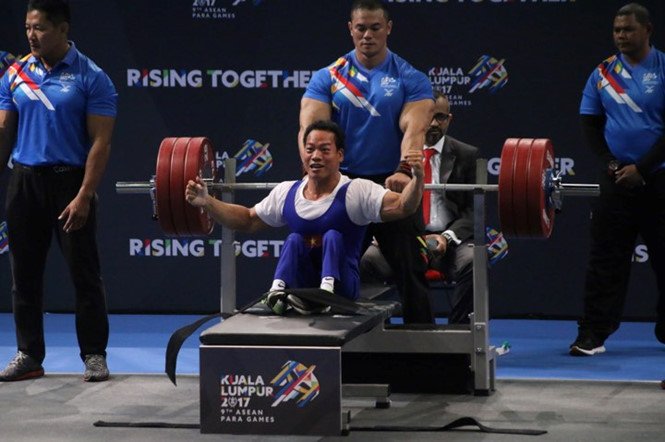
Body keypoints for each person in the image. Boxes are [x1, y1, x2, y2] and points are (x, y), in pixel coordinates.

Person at [185, 119, 424, 314]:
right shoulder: (287, 191)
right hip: (302, 288)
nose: (315, 156)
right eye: (310, 149)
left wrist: (417, 178)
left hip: (343, 291)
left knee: (332, 235)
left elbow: (403, 206)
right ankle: (277, 291)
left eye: (324, 150)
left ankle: (327, 291)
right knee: (294, 240)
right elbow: (247, 220)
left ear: (340, 155)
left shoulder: (357, 191)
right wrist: (208, 202)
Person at [0, 0, 117, 381]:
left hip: (71, 183)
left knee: (85, 274)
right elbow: (4, 133)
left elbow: (100, 142)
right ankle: (29, 354)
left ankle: (94, 355)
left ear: (63, 29)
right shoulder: (15, 74)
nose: (31, 35)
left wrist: (84, 195)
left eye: (40, 28)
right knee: (24, 275)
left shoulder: (92, 77)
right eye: (27, 27)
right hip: (24, 183)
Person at [298, 0, 435, 323]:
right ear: (351, 29)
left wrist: (404, 170)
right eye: (361, 28)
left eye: (375, 28)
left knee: (411, 270)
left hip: (391, 185)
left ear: (388, 28)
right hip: (343, 186)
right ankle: (326, 340)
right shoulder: (328, 77)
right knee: (326, 270)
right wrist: (313, 175)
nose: (367, 35)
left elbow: (414, 129)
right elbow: (310, 131)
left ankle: (422, 342)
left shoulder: (410, 78)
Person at [571, 2, 665, 356]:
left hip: (659, 179)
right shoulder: (602, 73)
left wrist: (643, 168)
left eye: (628, 29)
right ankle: (592, 334)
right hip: (616, 182)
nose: (621, 35)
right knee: (604, 261)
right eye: (617, 30)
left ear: (647, 30)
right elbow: (590, 124)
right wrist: (611, 165)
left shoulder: (663, 68)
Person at [361, 91, 480, 324]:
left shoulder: (467, 155)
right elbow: (376, 201)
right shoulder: (389, 155)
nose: (434, 123)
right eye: (428, 117)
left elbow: (472, 211)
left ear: (449, 119)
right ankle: (376, 333)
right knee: (367, 260)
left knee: (473, 261)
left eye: (440, 117)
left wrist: (447, 237)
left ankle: (459, 334)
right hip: (401, 239)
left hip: (448, 244)